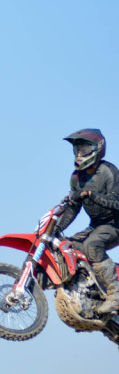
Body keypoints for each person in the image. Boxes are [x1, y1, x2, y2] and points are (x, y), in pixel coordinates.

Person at [56, 128, 119, 315]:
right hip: (96, 225)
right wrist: (56, 229)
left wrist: (92, 195)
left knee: (92, 244)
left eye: (84, 148)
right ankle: (86, 293)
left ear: (98, 148)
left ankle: (115, 295)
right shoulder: (76, 178)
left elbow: (117, 203)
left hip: (115, 224)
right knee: (66, 245)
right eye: (77, 149)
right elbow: (73, 209)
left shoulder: (108, 171)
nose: (80, 153)